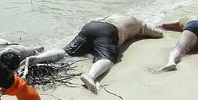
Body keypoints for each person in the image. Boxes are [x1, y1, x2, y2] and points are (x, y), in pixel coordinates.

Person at [25, 14, 163, 93]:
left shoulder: (116, 15)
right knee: (107, 59)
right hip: (108, 31)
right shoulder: (139, 23)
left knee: (66, 51)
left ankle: (36, 58)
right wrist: (143, 28)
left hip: (91, 26)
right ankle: (90, 76)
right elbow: (159, 34)